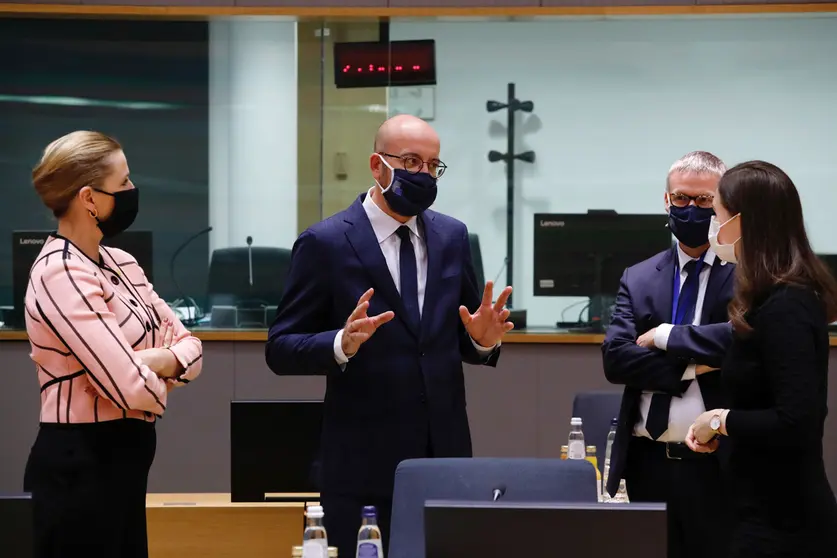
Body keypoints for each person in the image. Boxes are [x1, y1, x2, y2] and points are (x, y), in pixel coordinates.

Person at [265, 114, 513, 557]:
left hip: (445, 455)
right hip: (361, 459)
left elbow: (463, 332)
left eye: (433, 166)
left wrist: (481, 340)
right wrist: (340, 343)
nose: (424, 175)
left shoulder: (452, 236)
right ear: (377, 166)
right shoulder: (325, 243)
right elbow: (281, 348)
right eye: (412, 162)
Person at [22, 131, 203, 558]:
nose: (132, 191)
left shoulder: (121, 263)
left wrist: (156, 360)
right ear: (88, 198)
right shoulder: (60, 272)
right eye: (123, 183)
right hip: (80, 463)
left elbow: (190, 344)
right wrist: (159, 376)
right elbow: (128, 388)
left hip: (125, 460)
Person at [686, 161, 837, 557]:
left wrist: (718, 420)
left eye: (716, 214)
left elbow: (796, 419)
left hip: (785, 523)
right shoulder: (766, 299)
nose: (711, 227)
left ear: (741, 222)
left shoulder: (789, 305)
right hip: (755, 508)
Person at [601, 151, 735, 558]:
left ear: (722, 206)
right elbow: (616, 360)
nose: (690, 209)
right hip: (646, 462)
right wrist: (695, 364)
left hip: (717, 464)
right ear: (666, 200)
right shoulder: (639, 276)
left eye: (703, 201)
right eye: (681, 199)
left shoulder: (746, 274)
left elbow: (739, 343)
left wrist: (664, 337)